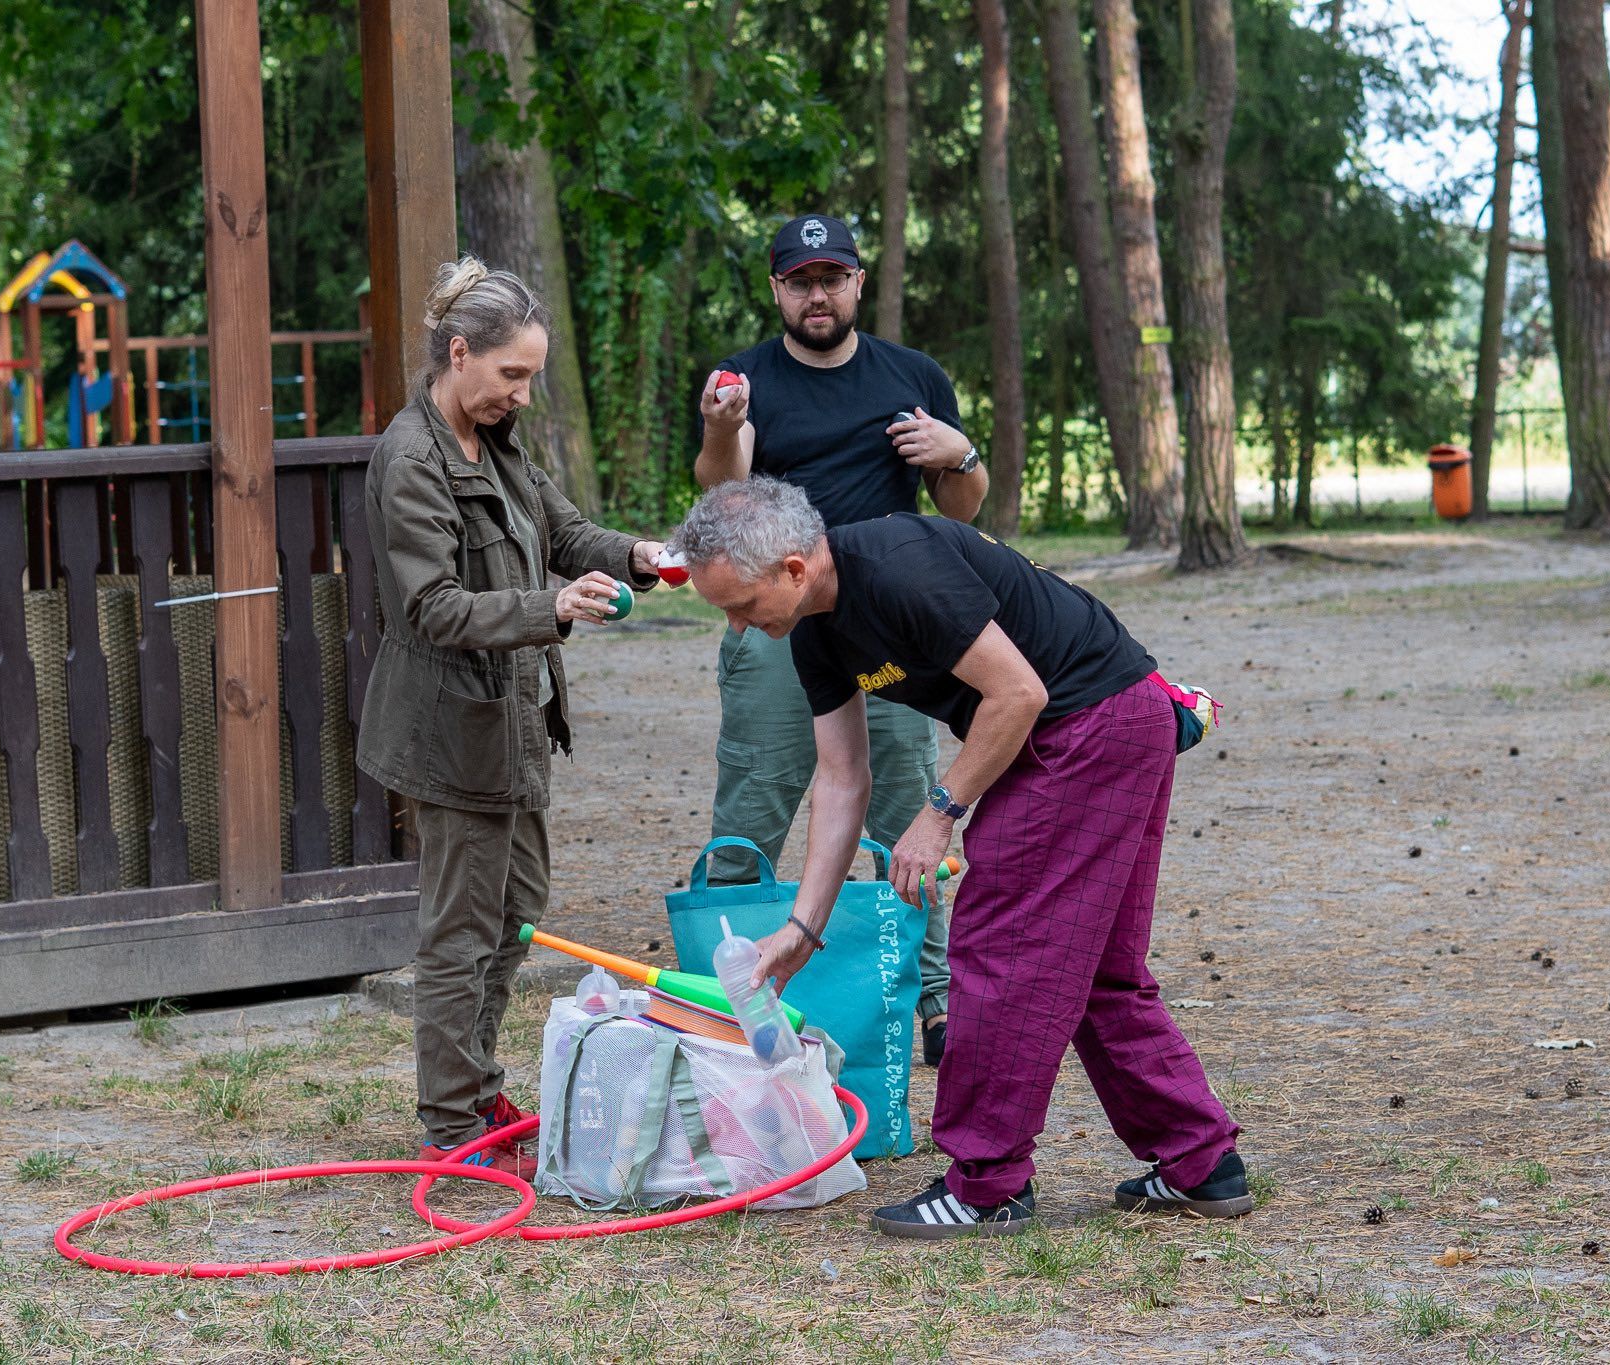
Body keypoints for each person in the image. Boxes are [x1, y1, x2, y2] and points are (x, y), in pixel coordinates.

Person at [668, 478, 1251, 1239]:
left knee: (999, 946)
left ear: (792, 567)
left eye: (739, 604)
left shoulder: (900, 567)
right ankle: (1200, 1164)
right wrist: (802, 928)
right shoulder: (814, 631)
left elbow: (1019, 693)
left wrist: (938, 813)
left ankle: (987, 1184)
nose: (739, 628)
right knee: (1101, 967)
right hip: (1107, 721)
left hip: (1091, 724)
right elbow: (842, 780)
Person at [355, 257, 664, 1176]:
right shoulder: (411, 460)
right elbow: (432, 607)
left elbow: (566, 534)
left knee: (516, 911)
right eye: (511, 374)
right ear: (460, 354)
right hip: (452, 733)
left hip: (515, 725)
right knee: (461, 929)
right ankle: (452, 1123)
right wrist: (553, 610)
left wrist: (643, 553)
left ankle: (475, 1079)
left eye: (529, 376)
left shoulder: (501, 441)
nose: (522, 394)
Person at [695, 212, 988, 1066]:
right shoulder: (743, 379)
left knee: (905, 809)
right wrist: (720, 426)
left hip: (890, 628)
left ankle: (928, 997)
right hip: (776, 625)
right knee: (754, 802)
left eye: (831, 277)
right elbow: (724, 491)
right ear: (777, 289)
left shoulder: (914, 375)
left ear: (859, 281)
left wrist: (960, 452)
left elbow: (961, 511)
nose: (816, 294)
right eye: (799, 280)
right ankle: (728, 988)